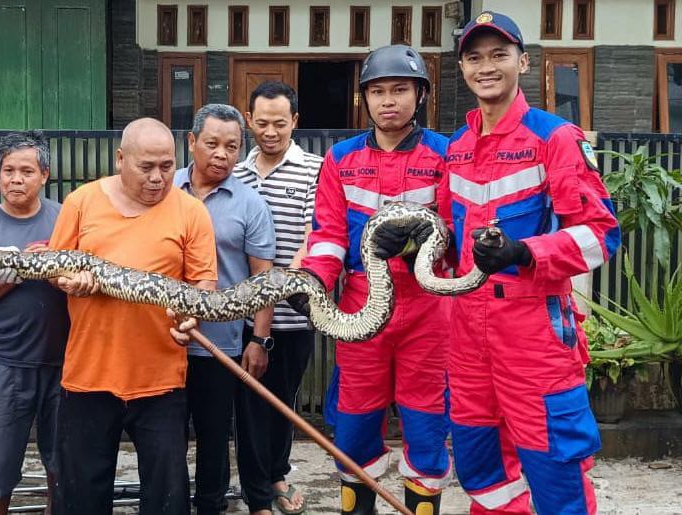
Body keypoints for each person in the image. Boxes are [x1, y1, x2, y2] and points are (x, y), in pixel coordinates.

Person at [384, 12, 620, 514]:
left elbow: (602, 235)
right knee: (479, 465)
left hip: (534, 332)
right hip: (466, 332)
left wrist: (524, 252)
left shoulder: (554, 138)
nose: (485, 67)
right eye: (474, 57)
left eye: (498, 55)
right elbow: (448, 238)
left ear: (523, 62)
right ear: (462, 68)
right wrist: (408, 246)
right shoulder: (460, 148)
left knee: (555, 465)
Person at [296, 45, 453, 515]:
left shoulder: (445, 155)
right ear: (364, 98)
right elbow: (326, 237)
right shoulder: (340, 159)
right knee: (355, 425)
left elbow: (454, 234)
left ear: (420, 94)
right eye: (378, 91)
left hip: (428, 310)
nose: (389, 101)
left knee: (426, 427)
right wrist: (313, 285)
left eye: (400, 90)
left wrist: (412, 245)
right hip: (361, 310)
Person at [48, 117, 218, 514]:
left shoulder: (191, 212)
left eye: (166, 166)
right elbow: (53, 267)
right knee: (81, 496)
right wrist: (70, 280)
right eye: (146, 167)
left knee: (167, 497)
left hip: (160, 379)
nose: (159, 178)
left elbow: (203, 284)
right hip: (88, 374)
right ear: (120, 158)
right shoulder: (82, 202)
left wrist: (194, 314)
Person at [0, 131, 69, 515]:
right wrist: (16, 269)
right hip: (4, 364)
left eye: (26, 171)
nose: (16, 179)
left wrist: (53, 264)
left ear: (45, 175)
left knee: (63, 463)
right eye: (8, 170)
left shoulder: (65, 219)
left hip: (65, 362)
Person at [175, 104, 276, 515]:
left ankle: (211, 506)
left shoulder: (250, 204)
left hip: (220, 345)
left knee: (215, 438)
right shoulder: (163, 190)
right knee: (165, 438)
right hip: (162, 343)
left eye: (232, 146)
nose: (222, 154)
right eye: (213, 143)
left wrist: (259, 339)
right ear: (192, 141)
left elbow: (262, 280)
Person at [232, 81, 323, 515]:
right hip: (241, 314)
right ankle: (259, 495)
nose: (270, 132)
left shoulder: (314, 169)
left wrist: (281, 284)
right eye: (262, 123)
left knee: (281, 401)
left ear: (295, 123)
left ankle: (277, 473)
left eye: (280, 124)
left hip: (294, 314)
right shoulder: (236, 171)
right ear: (249, 120)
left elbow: (312, 236)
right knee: (251, 406)